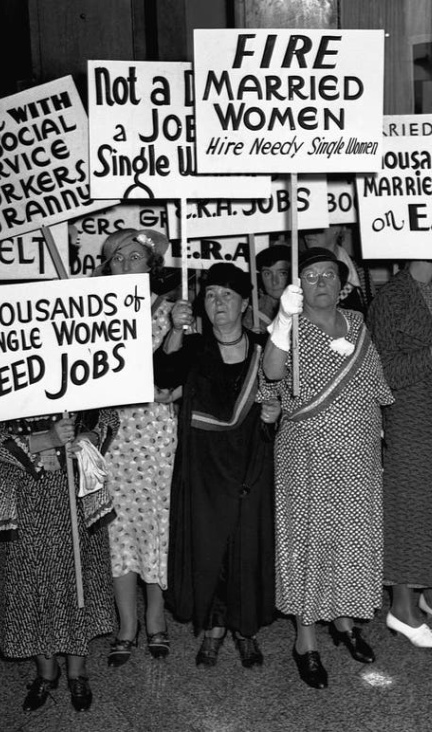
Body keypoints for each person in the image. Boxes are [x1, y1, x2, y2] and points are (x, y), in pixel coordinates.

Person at [261, 247, 394, 689]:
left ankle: (343, 619)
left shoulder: (357, 323)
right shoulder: (289, 326)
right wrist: (284, 320)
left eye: (329, 275)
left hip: (358, 454)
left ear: (342, 284)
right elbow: (272, 372)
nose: (320, 282)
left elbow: (376, 383)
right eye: (311, 275)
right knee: (310, 540)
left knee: (350, 537)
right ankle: (306, 640)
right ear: (298, 285)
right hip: (308, 455)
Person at [153, 262, 280, 669]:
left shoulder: (265, 347)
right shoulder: (192, 346)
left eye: (227, 294)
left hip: (250, 462)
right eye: (210, 295)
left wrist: (276, 412)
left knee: (246, 544)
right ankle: (214, 627)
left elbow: (287, 394)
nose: (218, 302)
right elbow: (162, 375)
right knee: (210, 546)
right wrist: (175, 330)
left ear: (245, 303)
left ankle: (246, 629)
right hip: (204, 466)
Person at [0, 410, 118, 712]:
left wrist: (90, 436)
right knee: (32, 584)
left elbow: (109, 416)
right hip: (21, 497)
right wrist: (48, 440)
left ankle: (77, 672)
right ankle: (46, 673)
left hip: (76, 492)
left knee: (77, 581)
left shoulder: (82, 378)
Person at [367, 260, 432, 647]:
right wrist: (431, 352)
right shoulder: (391, 297)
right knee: (410, 512)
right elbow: (382, 373)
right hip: (411, 421)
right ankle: (401, 608)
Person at [94, 229, 179, 667]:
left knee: (157, 525)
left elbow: (189, 371)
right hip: (112, 436)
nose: (126, 264)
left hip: (156, 435)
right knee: (118, 528)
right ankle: (126, 624)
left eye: (135, 256)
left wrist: (176, 390)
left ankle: (156, 617)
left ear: (151, 265)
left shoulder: (172, 311)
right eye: (117, 258)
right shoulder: (91, 315)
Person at [302, 225, 373, 313]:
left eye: (318, 227)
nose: (309, 233)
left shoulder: (359, 268)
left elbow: (371, 310)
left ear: (337, 229)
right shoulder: (294, 268)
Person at [244, 244, 291, 333]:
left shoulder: (307, 305)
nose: (274, 281)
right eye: (267, 274)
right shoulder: (255, 310)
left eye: (282, 273)